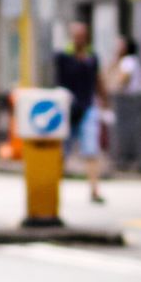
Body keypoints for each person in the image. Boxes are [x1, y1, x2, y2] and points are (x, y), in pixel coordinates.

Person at [54, 20, 108, 204]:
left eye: (82, 35)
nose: (79, 39)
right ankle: (53, 189)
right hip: (67, 109)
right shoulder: (63, 56)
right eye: (76, 35)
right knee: (62, 151)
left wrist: (105, 102)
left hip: (88, 108)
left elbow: (98, 80)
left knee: (91, 150)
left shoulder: (92, 57)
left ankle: (94, 190)